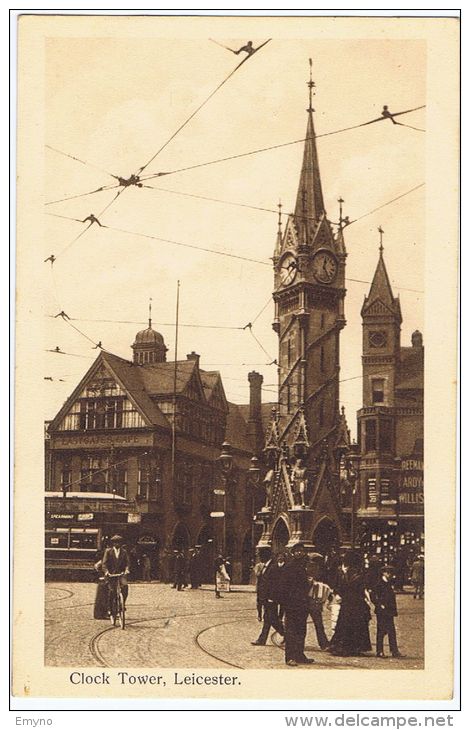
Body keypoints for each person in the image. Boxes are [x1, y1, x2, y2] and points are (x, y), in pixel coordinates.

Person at [328, 551, 372, 657]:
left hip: (350, 602)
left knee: (346, 623)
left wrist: (338, 593)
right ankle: (352, 646)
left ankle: (344, 646)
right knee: (354, 624)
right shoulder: (358, 573)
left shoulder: (350, 573)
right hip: (355, 602)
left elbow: (341, 586)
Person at [280, 543, 314, 666]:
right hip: (292, 604)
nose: (299, 553)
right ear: (293, 553)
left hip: (303, 604)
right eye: (297, 551)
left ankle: (300, 655)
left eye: (302, 551)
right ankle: (290, 657)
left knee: (301, 630)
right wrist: (285, 603)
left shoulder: (304, 566)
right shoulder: (289, 566)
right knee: (291, 631)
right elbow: (283, 586)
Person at [251, 550, 285, 646]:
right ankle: (262, 639)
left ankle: (286, 634)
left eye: (261, 556)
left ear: (265, 556)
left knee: (271, 619)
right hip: (265, 597)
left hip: (271, 598)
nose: (260, 558)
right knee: (268, 619)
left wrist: (272, 597)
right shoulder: (265, 566)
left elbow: (275, 583)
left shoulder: (273, 567)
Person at [371, 566, 403, 658]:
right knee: (381, 631)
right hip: (382, 611)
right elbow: (373, 595)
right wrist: (379, 604)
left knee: (391, 631)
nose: (390, 574)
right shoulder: (379, 583)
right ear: (383, 573)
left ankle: (394, 651)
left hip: (389, 610)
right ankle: (379, 651)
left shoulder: (389, 583)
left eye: (391, 573)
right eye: (388, 572)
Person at [306, 557, 333, 651]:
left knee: (318, 623)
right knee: (318, 623)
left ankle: (324, 643)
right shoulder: (309, 569)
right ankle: (324, 644)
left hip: (312, 600)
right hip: (311, 600)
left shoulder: (315, 570)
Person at [102, 535, 130, 618]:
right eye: (115, 542)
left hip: (121, 574)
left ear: (121, 543)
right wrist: (106, 572)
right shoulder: (108, 551)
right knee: (111, 591)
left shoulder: (124, 552)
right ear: (113, 543)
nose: (117, 544)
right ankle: (110, 609)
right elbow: (104, 563)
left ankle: (122, 604)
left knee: (125, 587)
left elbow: (127, 563)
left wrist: (127, 569)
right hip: (111, 575)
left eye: (119, 542)